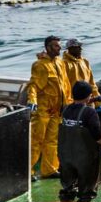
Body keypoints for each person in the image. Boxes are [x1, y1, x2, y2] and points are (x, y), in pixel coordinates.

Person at [28, 35, 72, 180]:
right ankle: (28, 171)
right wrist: (32, 100)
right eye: (55, 46)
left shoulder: (60, 63)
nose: (59, 48)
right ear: (47, 47)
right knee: (36, 141)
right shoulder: (40, 65)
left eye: (59, 45)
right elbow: (33, 85)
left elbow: (65, 85)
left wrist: (68, 103)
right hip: (43, 110)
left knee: (52, 141)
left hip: (57, 110)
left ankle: (49, 169)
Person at [58, 81, 101, 202]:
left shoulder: (66, 109)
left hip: (66, 156)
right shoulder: (89, 113)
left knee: (68, 188)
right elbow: (97, 136)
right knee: (86, 191)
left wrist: (94, 99)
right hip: (84, 159)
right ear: (88, 96)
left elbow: (77, 106)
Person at [61, 38, 101, 104]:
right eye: (78, 47)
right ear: (70, 48)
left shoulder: (85, 62)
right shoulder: (64, 64)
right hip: (74, 102)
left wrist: (97, 99)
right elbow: (63, 86)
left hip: (89, 100)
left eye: (80, 47)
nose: (81, 49)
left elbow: (91, 83)